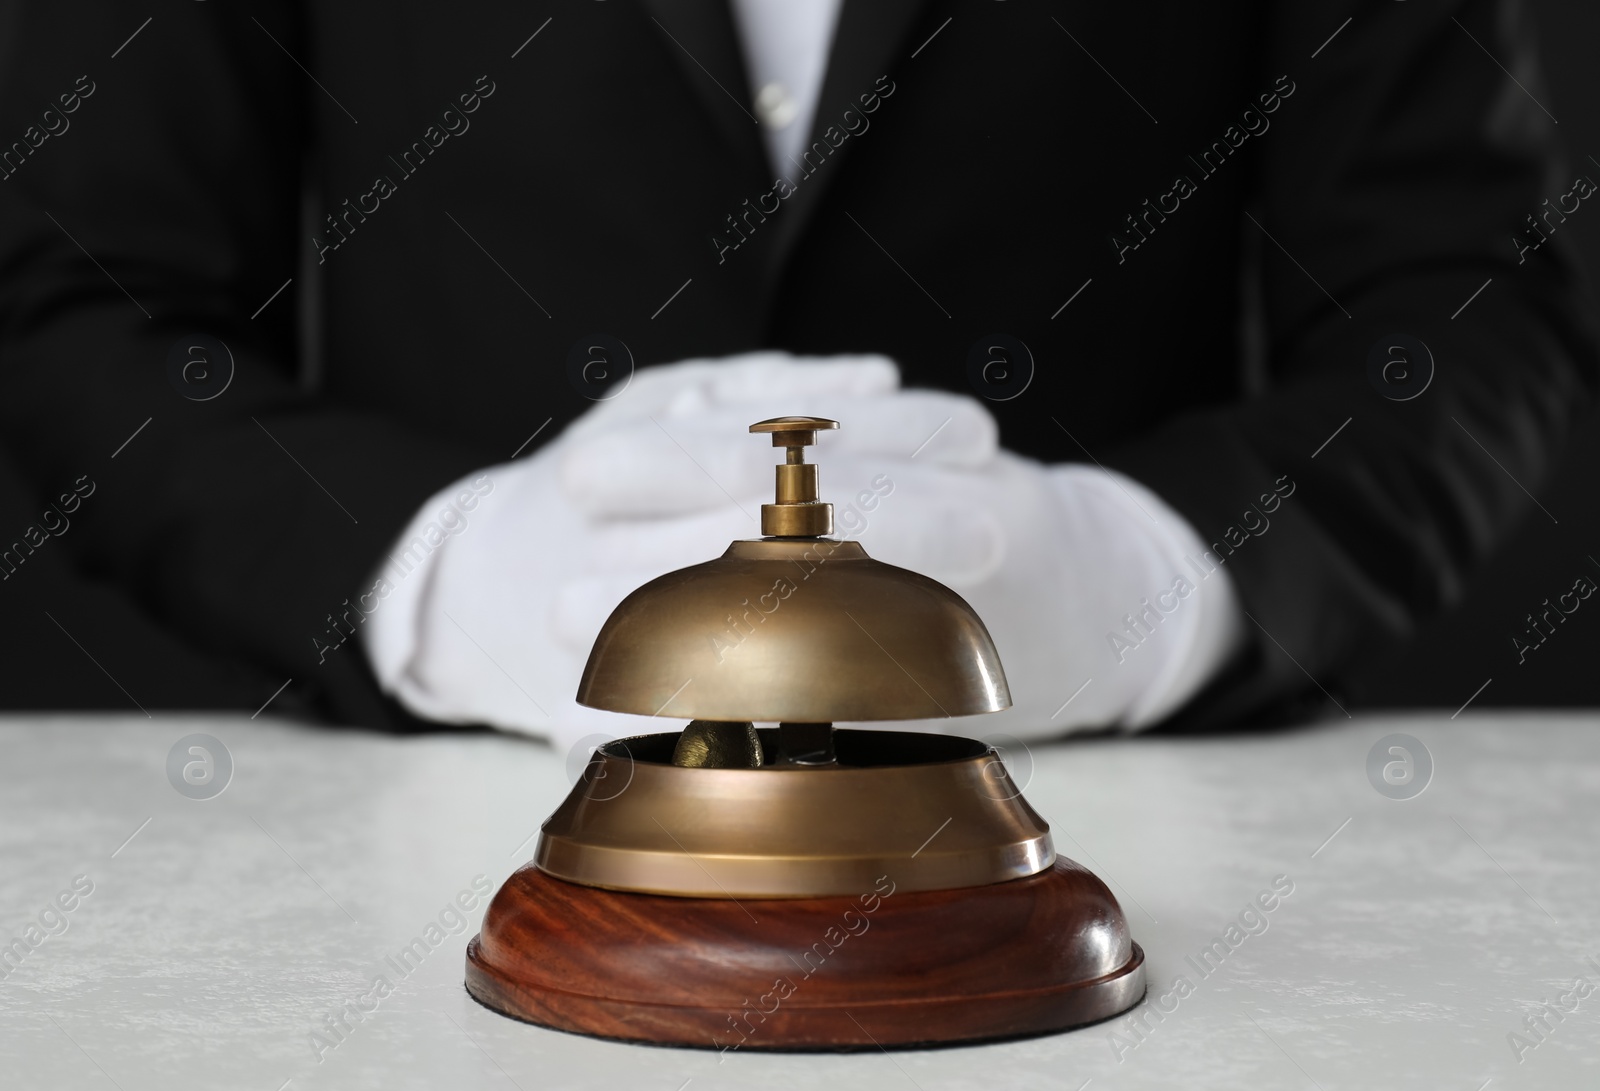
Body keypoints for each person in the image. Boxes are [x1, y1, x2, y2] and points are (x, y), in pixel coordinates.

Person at [0, 0, 1593, 753]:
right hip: (431, 858)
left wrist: (1149, 577)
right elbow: (83, 299)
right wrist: (441, 577)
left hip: (1098, 845)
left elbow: (1462, 296)